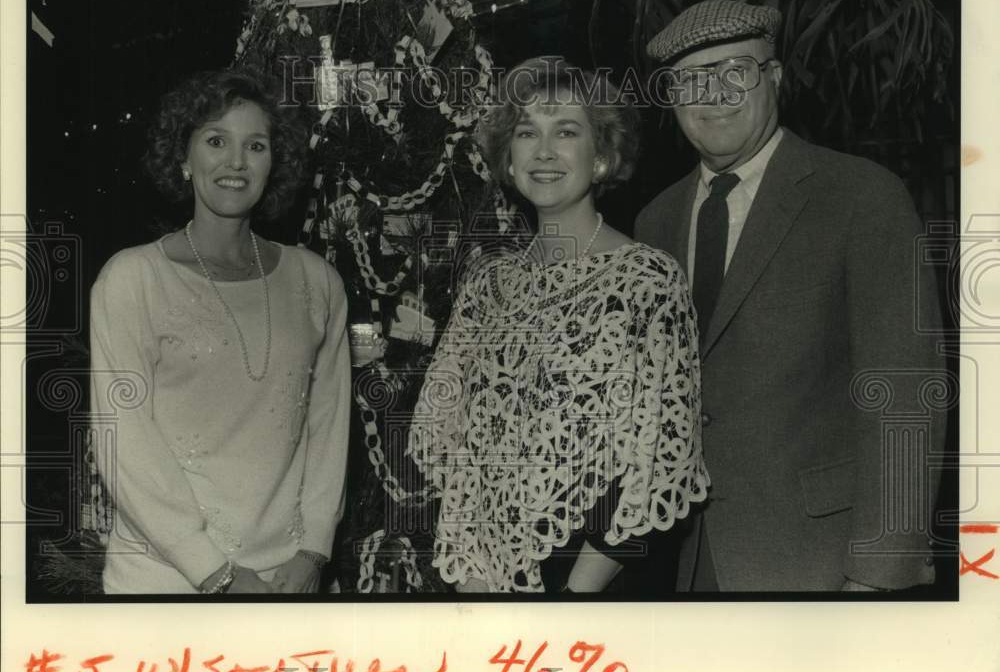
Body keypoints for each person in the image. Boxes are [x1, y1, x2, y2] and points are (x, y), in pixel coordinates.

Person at [635, 0, 945, 591]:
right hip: (689, 560)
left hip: (822, 561)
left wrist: (880, 574)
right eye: (692, 79)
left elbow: (906, 395)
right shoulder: (656, 220)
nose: (713, 93)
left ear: (773, 79)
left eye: (735, 72)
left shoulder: (860, 196)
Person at [407, 57, 709, 594]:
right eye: (528, 132)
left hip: (594, 582)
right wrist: (475, 576)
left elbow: (657, 457)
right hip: (486, 584)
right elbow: (454, 441)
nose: (543, 151)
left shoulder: (647, 281)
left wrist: (575, 594)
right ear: (509, 159)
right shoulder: (489, 284)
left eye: (566, 132)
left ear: (601, 159)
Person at [90, 69, 351, 594]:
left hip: (287, 578)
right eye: (216, 141)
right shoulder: (132, 279)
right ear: (184, 159)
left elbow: (329, 427)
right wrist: (218, 573)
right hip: (163, 580)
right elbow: (124, 444)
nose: (236, 162)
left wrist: (314, 551)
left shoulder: (317, 281)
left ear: (273, 162)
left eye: (255, 145)